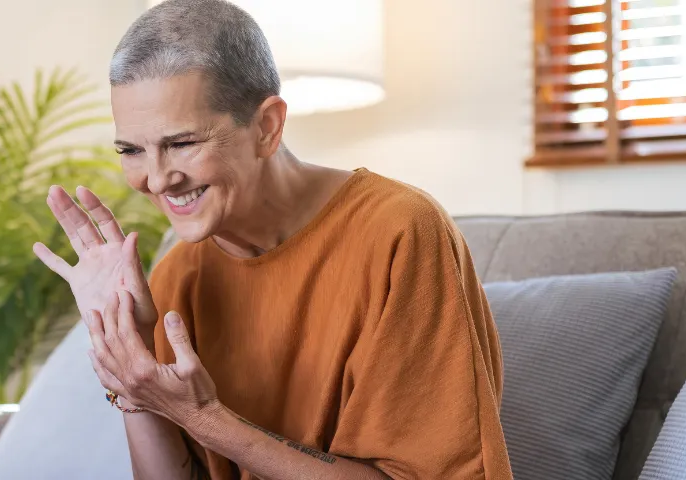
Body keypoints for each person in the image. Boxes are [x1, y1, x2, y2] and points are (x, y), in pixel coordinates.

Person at [31, 1, 514, 479]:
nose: (156, 180)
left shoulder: (400, 231)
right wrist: (129, 354)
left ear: (267, 126)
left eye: (181, 143)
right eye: (131, 150)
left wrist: (206, 419)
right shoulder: (178, 275)